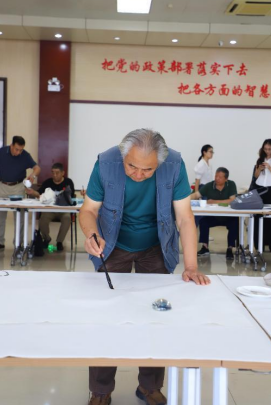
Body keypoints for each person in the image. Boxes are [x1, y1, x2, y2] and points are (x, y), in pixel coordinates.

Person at [79, 128, 210, 405]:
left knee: (156, 315)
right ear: (122, 156)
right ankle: (101, 391)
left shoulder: (174, 164)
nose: (138, 174)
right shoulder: (105, 162)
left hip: (156, 246)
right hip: (112, 245)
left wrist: (190, 265)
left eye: (147, 170)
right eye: (132, 166)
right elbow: (89, 210)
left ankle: (149, 386)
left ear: (159, 163)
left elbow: (184, 218)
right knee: (108, 316)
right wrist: (92, 234)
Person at [0, 136, 40, 251]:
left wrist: (33, 175)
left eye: (21, 150)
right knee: (0, 216)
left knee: (20, 217)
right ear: (11, 146)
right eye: (17, 149)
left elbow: (37, 168)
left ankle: (18, 243)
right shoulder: (2, 151)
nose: (18, 152)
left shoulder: (25, 155)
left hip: (18, 187)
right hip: (2, 186)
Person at [26, 163, 75, 251]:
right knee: (43, 219)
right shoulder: (47, 182)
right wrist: (33, 192)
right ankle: (47, 238)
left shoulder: (68, 182)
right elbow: (39, 194)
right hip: (50, 210)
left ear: (63, 173)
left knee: (67, 219)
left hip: (63, 210)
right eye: (53, 172)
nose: (54, 175)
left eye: (57, 173)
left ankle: (59, 241)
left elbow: (71, 197)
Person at [194, 167, 238, 260]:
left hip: (228, 217)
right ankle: (205, 247)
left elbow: (232, 200)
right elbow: (196, 194)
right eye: (216, 176)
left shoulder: (231, 184)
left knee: (235, 222)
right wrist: (185, 199)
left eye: (220, 177)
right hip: (214, 216)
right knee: (203, 221)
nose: (217, 178)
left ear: (226, 179)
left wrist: (213, 201)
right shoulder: (209, 186)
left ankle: (230, 248)